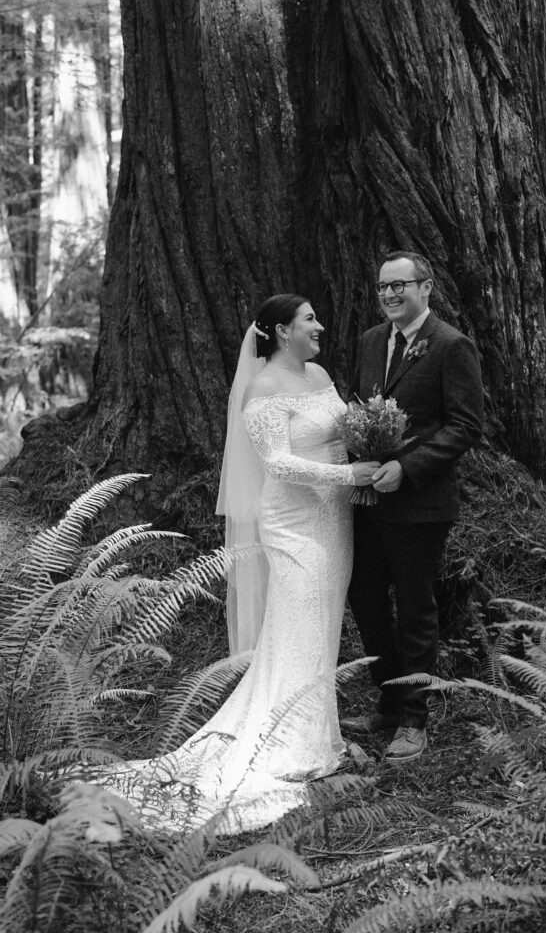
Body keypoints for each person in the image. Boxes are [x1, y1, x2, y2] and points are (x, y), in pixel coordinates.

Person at [79, 295, 378, 834]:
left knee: (324, 622)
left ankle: (320, 732)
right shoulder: (263, 386)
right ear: (283, 332)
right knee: (299, 623)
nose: (320, 326)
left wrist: (364, 447)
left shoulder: (321, 373)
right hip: (294, 521)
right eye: (310, 319)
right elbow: (280, 464)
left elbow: (338, 435)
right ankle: (291, 742)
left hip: (335, 519)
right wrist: (350, 478)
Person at [342, 252, 484, 763]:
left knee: (415, 609)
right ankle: (387, 698)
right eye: (382, 288)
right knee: (367, 600)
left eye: (399, 286)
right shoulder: (370, 341)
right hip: (368, 499)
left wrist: (409, 467)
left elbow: (466, 425)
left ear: (426, 287)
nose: (389, 295)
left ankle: (414, 719)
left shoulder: (451, 345)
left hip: (421, 503)